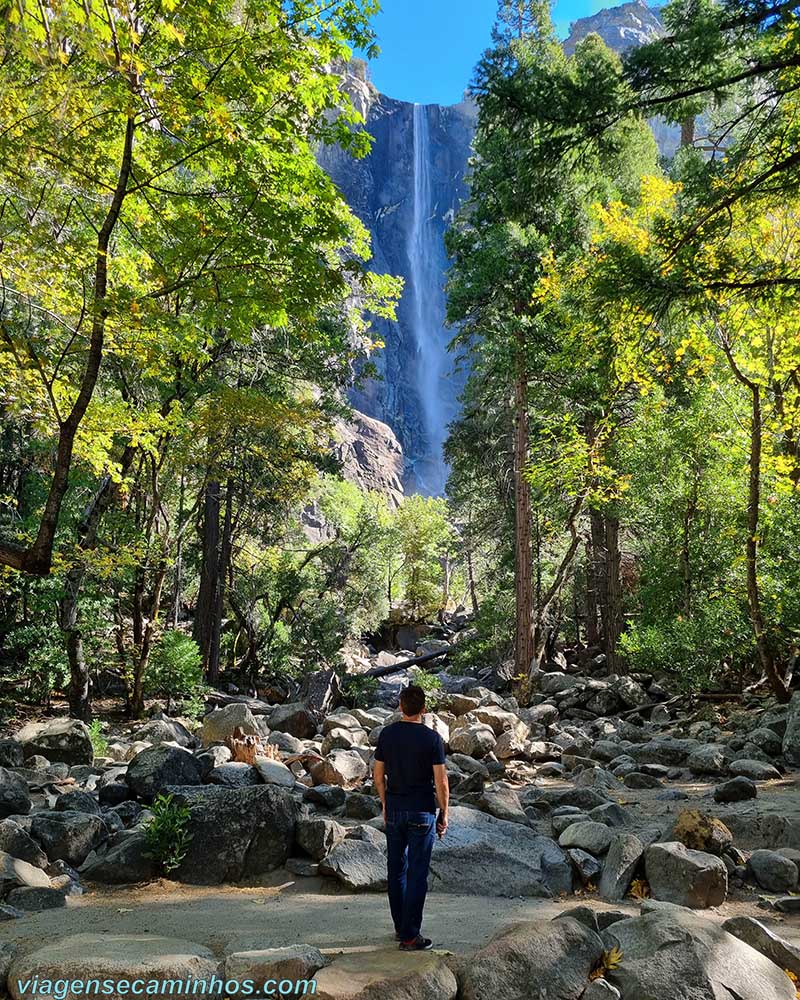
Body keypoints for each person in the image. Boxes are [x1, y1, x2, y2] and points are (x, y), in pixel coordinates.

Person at [373, 683, 449, 951]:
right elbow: (441, 782)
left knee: (396, 871)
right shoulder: (432, 739)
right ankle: (410, 935)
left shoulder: (387, 735)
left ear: (400, 706)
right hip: (422, 811)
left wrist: (384, 802)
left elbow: (378, 775)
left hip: (394, 810)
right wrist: (444, 813)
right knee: (417, 874)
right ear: (424, 709)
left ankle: (400, 927)